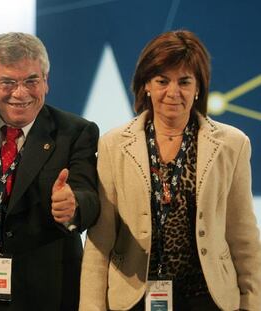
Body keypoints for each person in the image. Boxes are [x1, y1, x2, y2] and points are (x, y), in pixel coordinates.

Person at [79, 30, 261, 311]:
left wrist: (252, 304)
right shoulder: (113, 145)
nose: (173, 92)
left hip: (208, 298)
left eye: (184, 81)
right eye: (162, 81)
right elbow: (100, 239)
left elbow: (243, 237)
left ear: (198, 87)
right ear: (146, 86)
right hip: (134, 299)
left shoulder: (232, 145)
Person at [0, 32, 100, 310]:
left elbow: (88, 195)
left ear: (46, 82)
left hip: (50, 291)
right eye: (8, 82)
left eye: (32, 80)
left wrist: (73, 206)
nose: (21, 93)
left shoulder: (75, 132)